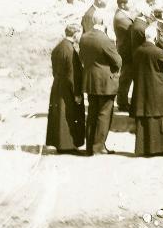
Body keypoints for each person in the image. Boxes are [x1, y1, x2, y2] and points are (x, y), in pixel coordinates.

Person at [131, 23, 163, 157]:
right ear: (155, 37)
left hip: (144, 90)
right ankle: (162, 147)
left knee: (146, 121)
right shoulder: (158, 53)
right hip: (159, 90)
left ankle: (145, 148)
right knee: (162, 119)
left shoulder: (138, 51)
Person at [79, 13, 121, 156]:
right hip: (105, 82)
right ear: (103, 22)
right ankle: (99, 147)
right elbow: (118, 61)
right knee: (104, 114)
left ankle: (90, 146)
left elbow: (82, 57)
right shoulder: (105, 39)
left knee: (92, 113)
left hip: (91, 81)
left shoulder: (84, 37)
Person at [46, 24, 85, 154]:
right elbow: (72, 75)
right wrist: (77, 93)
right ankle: (68, 146)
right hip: (68, 88)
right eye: (79, 33)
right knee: (68, 115)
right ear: (75, 34)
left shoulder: (59, 47)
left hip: (58, 85)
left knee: (59, 116)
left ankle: (61, 144)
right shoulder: (69, 50)